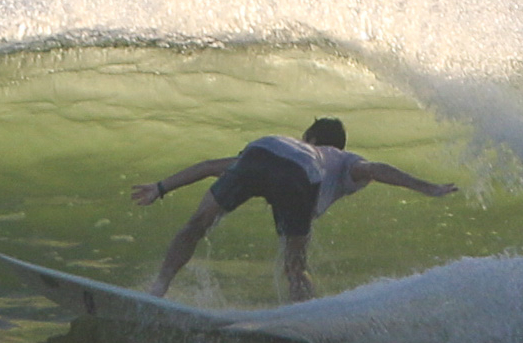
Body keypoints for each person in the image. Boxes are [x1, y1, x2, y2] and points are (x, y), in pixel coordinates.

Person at [130, 117, 458, 303]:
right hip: (300, 175)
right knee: (295, 268)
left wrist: (161, 188)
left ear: (309, 137)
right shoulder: (342, 159)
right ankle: (304, 318)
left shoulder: (290, 143)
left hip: (261, 148)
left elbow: (210, 166)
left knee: (197, 225)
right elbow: (376, 169)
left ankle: (159, 288)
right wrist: (427, 187)